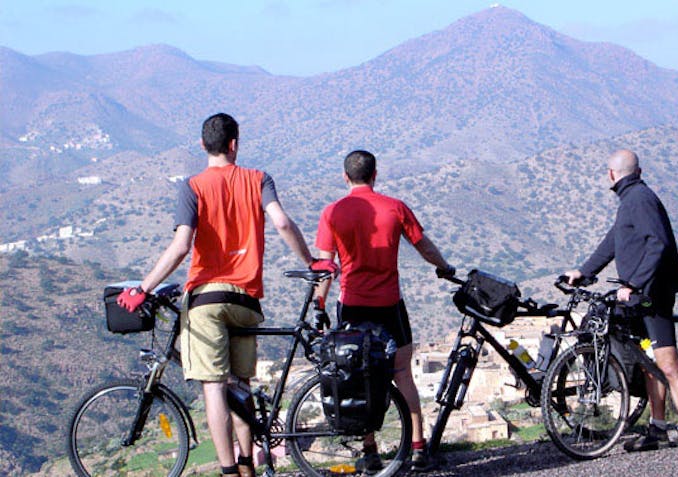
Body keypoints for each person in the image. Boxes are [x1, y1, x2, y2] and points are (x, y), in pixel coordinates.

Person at [116, 113, 324, 477]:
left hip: (207, 301)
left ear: (203, 145)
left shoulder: (192, 186)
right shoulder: (259, 179)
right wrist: (310, 261)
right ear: (234, 144)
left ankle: (228, 470)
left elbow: (182, 245)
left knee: (214, 387)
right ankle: (247, 463)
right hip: (246, 300)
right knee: (240, 385)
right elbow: (281, 222)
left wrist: (143, 288)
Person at [314, 150, 455, 472]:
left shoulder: (332, 212)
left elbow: (326, 266)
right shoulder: (395, 207)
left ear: (345, 177)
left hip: (352, 305)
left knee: (358, 377)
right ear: (375, 174)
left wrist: (320, 303)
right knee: (402, 373)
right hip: (390, 305)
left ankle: (370, 452)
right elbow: (424, 246)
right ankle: (418, 448)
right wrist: (444, 267)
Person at [563, 149, 678, 462]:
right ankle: (658, 429)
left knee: (669, 364)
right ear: (638, 171)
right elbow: (613, 242)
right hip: (639, 296)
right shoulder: (631, 200)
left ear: (611, 174)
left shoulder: (639, 199)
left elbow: (658, 243)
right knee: (647, 363)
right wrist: (583, 271)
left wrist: (635, 283)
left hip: (653, 295)